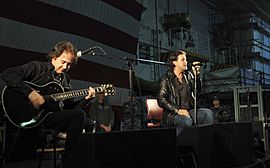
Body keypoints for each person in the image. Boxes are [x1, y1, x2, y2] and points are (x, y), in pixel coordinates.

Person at [0, 41, 95, 167]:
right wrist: (29, 93)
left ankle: (78, 158)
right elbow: (7, 74)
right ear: (54, 58)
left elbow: (71, 109)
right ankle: (69, 161)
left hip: (50, 117)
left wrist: (86, 99)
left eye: (69, 64)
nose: (66, 67)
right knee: (78, 115)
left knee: (87, 121)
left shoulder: (66, 81)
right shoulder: (38, 67)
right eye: (63, 62)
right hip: (30, 116)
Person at [157, 50, 213, 127]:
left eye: (186, 60)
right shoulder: (165, 79)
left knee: (208, 113)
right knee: (186, 121)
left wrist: (197, 76)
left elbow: (197, 93)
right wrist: (177, 110)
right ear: (174, 62)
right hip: (173, 114)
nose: (186, 62)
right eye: (183, 60)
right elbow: (161, 100)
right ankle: (187, 139)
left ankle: (206, 138)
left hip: (189, 111)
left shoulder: (188, 76)